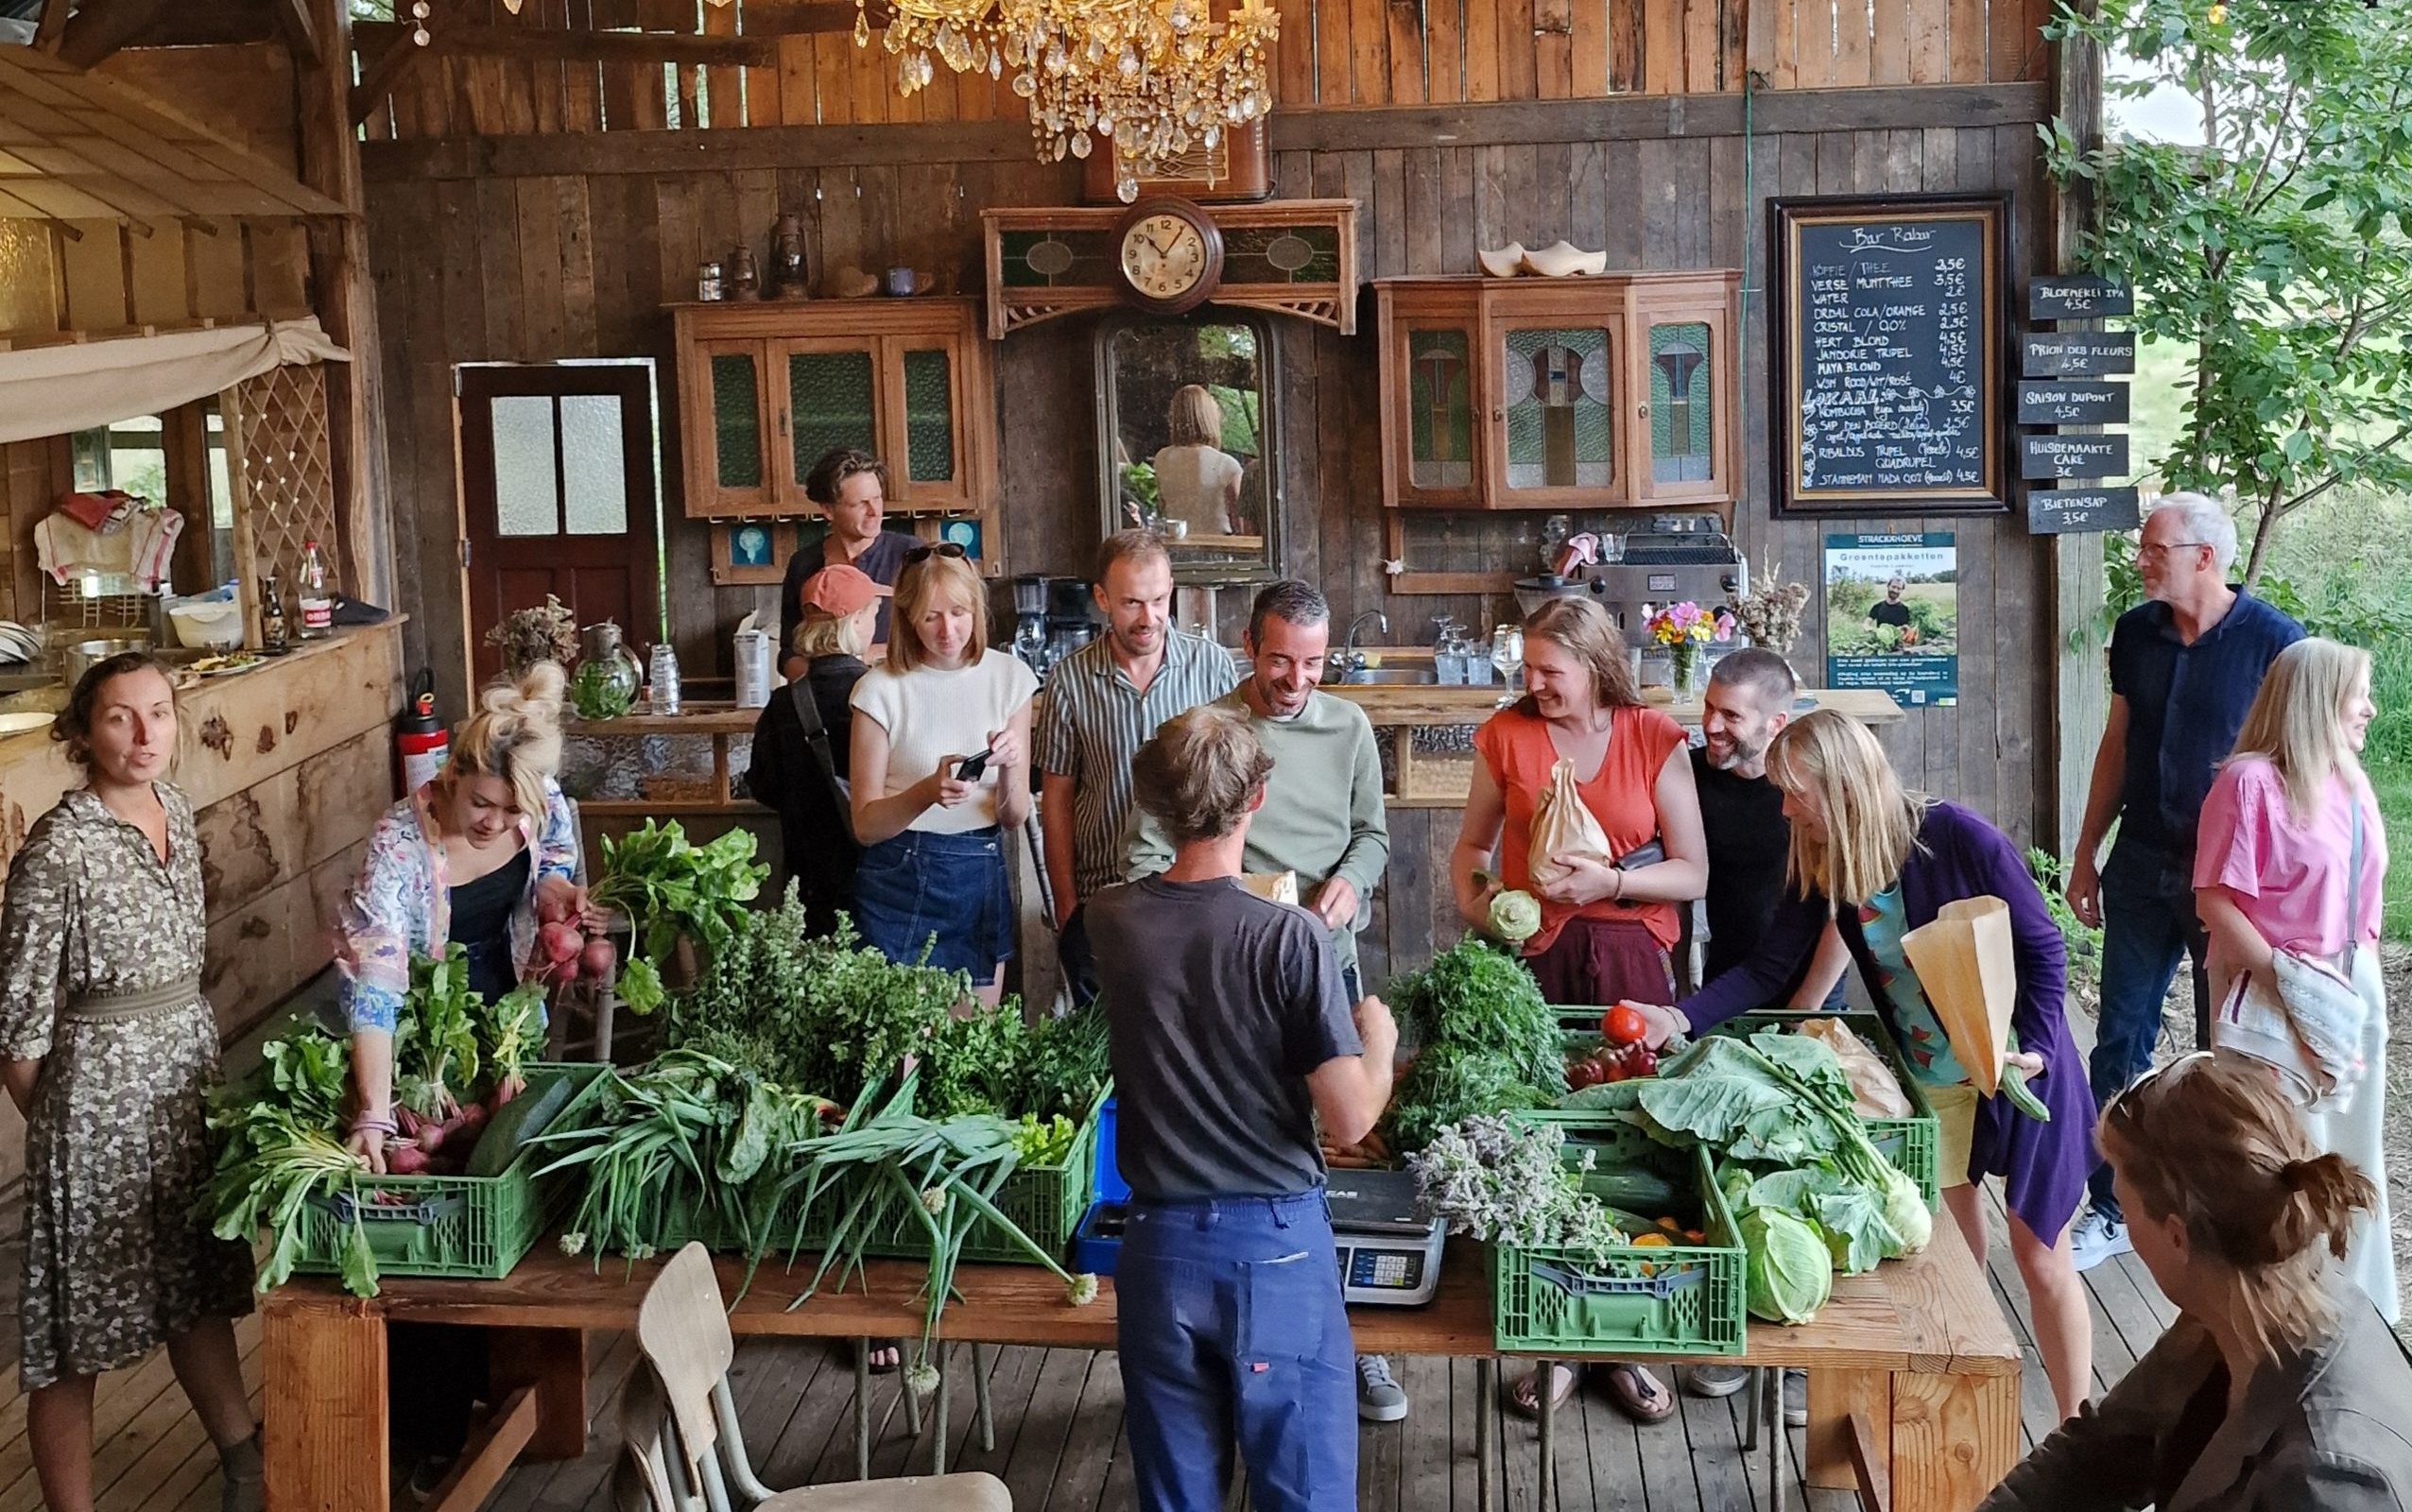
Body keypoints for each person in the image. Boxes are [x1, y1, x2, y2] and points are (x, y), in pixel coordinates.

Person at [1627, 711, 2097, 1426]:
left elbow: (2044, 949)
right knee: (1948, 1254)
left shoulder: (1957, 837)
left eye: (1796, 793)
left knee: (2040, 1256)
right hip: (1930, 1076)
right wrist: (1680, 1018)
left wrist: (2035, 1047)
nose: (1785, 809)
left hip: (2022, 1067)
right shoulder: (1823, 858)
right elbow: (1768, 968)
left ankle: (2078, 1428)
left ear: (1842, 786)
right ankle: (1957, 1398)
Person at [1085, 705, 1398, 1512]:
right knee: (1303, 1494)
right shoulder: (1289, 937)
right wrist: (1379, 1038)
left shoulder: (1110, 920)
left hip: (1156, 1247)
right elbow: (1351, 1119)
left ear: (1153, 804)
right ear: (1256, 798)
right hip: (1273, 1248)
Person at [1126, 579, 1404, 1425]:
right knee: (1267, 1154)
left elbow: (1373, 835)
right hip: (1232, 972)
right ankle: (1238, 1348)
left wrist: (1350, 885)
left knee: (1345, 1157)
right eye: (1281, 660)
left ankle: (1356, 1338)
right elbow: (1149, 858)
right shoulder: (1207, 734)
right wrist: (1260, 908)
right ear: (1248, 646)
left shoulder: (1348, 727)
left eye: (1313, 664)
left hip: (1327, 961)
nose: (1297, 680)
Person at [0, 653, 260, 1512]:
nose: (146, 734)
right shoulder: (58, 849)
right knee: (73, 1337)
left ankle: (245, 1464)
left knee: (195, 1290)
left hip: (185, 1083)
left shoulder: (174, 810)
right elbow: (18, 1027)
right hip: (94, 1110)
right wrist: (69, 1125)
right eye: (120, 717)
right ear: (82, 733)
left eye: (160, 712)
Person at [1449, 594, 1706, 1424]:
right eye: (1526, 668)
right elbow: (1472, 849)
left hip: (1632, 960)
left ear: (1595, 666)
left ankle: (1623, 1342)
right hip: (1536, 957)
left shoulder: (1651, 736)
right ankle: (1556, 1340)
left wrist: (1613, 882)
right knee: (1542, 1138)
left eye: (1549, 670)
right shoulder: (1507, 735)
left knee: (1636, 1140)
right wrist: (1483, 910)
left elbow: (1692, 871)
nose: (1533, 683)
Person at [336, 662, 587, 1492]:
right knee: (437, 1229)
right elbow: (374, 986)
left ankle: (508, 1397)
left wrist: (554, 892)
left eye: (513, 811)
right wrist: (375, 1113)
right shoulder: (397, 849)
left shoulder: (537, 803)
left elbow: (554, 850)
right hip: (425, 1051)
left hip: (509, 1033)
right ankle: (429, 1433)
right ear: (450, 776)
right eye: (484, 805)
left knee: (515, 1220)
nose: (497, 823)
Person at [1978, 1052, 2412, 1511]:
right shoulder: (2242, 1299)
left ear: (2177, 1237)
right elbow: (2097, 1453)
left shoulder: (2329, 1482)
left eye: (2124, 1209)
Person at [2064, 492, 2303, 1273]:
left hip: (2228, 883)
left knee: (2223, 1049)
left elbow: (2302, 768)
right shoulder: (2137, 633)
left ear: (2205, 557)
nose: (2139, 560)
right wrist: (2086, 850)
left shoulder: (2277, 644)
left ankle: (2220, 1216)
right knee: (2118, 1039)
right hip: (2140, 863)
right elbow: (2117, 743)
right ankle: (2113, 1206)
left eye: (2153, 549)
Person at [2194, 637, 2396, 1323]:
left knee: (2351, 1154)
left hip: (2348, 989)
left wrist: (2345, 996)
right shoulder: (2249, 782)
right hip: (2272, 995)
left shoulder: (2350, 782)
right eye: (2357, 695)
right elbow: (2215, 902)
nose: (2369, 708)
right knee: (2282, 1162)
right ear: (2317, 700)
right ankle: (2278, 1310)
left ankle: (2354, 1312)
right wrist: (2287, 982)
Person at [1675, 647, 1837, 1418]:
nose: (1711, 724)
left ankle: (1807, 1352)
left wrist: (1803, 1012)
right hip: (1733, 983)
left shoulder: (1805, 786)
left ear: (1777, 722)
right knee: (1730, 1165)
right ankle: (1735, 1332)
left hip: (1817, 994)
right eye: (1708, 707)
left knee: (1804, 1169)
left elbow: (1842, 905)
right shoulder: (1692, 774)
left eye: (1730, 715)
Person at [1038, 530, 1238, 1004]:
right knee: (1105, 1036)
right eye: (1131, 603)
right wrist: (1066, 905)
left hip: (1197, 894)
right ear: (1102, 599)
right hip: (1103, 894)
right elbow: (1057, 799)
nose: (1149, 618)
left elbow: (1235, 788)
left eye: (1159, 600)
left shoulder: (1211, 667)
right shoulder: (1069, 679)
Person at [849, 544, 1036, 1004]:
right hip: (897, 873)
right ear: (908, 617)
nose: (948, 630)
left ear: (976, 609)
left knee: (977, 1036)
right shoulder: (878, 689)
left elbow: (1013, 817)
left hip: (979, 869)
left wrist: (1009, 767)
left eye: (959, 613)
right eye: (931, 617)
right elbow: (866, 825)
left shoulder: (1010, 678)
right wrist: (926, 792)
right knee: (902, 1039)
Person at [747, 562, 878, 936]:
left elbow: (763, 786)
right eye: (873, 614)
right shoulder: (879, 693)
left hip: (808, 879)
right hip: (877, 872)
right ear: (855, 621)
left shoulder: (783, 703)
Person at [778, 448, 918, 677]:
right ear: (828, 509)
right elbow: (788, 654)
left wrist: (862, 659)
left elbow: (936, 640)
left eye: (877, 498)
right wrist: (826, 678)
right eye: (860, 504)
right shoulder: (803, 564)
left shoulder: (912, 555)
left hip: (897, 687)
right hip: (826, 693)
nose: (875, 511)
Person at [1150, 384, 1245, 537]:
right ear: (1211, 417)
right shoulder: (1227, 465)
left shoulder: (1162, 458)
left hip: (1177, 544)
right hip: (1219, 546)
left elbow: (1163, 507)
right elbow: (1239, 525)